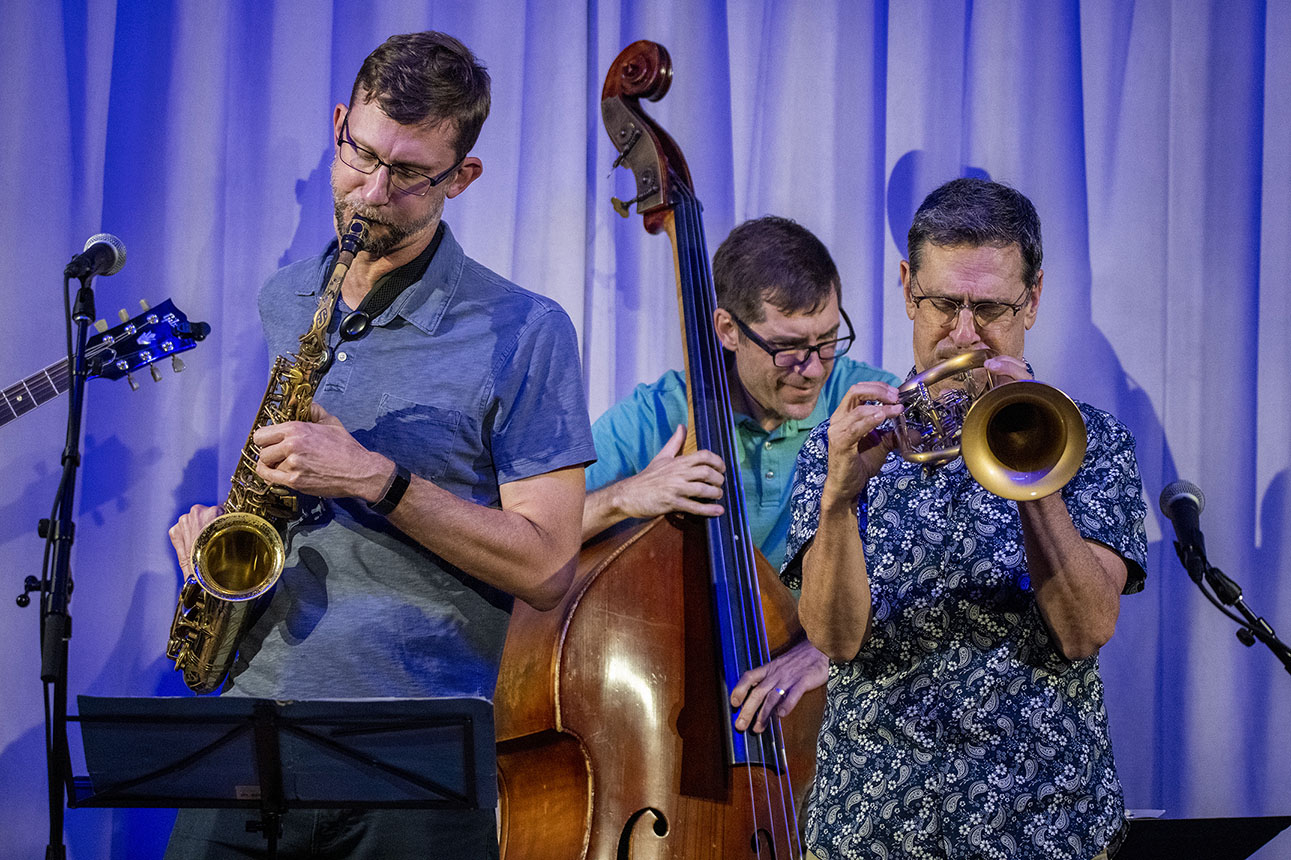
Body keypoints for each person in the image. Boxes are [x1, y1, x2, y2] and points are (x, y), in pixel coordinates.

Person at [164, 32, 595, 860]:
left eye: (406, 173)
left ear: (460, 177)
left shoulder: (527, 329)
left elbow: (546, 568)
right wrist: (219, 532)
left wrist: (377, 479)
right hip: (252, 720)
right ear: (337, 125)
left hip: (411, 748)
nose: (369, 191)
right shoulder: (288, 295)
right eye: (359, 155)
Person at [782, 177, 1147, 860]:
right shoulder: (837, 447)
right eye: (943, 304)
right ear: (905, 288)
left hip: (1042, 825)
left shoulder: (1091, 442)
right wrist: (838, 503)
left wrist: (1033, 473)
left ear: (1032, 300)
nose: (963, 334)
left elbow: (1084, 630)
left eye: (991, 310)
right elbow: (833, 639)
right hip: (872, 826)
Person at [582, 215, 899, 733]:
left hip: (822, 716)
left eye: (827, 341)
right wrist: (624, 497)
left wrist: (827, 651)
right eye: (789, 348)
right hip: (678, 704)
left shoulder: (862, 400)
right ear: (728, 330)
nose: (815, 368)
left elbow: (938, 559)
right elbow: (534, 537)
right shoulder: (658, 414)